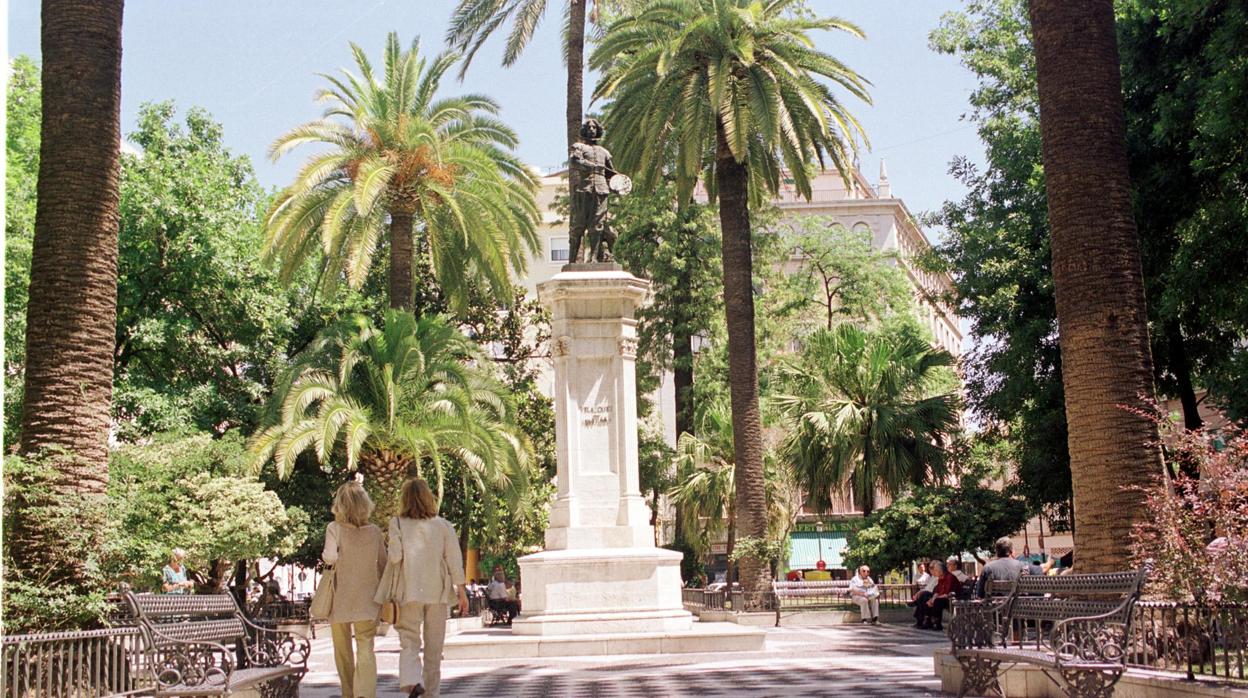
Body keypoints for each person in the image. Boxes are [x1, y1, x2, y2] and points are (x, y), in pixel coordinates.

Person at [390, 478, 470, 698]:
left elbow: (395, 557)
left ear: (404, 499)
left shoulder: (396, 523)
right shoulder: (443, 525)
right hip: (438, 591)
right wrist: (462, 592)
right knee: (434, 649)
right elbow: (455, 560)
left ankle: (412, 682)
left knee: (409, 641)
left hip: (408, 591)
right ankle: (431, 693)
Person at [322, 481, 386, 698]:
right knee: (366, 647)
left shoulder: (334, 529)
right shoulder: (375, 532)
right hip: (368, 600)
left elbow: (330, 557)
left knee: (342, 652)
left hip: (340, 599)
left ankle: (348, 694)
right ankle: (365, 695)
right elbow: (383, 565)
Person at [974, 537, 1042, 598]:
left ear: (997, 552)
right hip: (1019, 609)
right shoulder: (1024, 566)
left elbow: (980, 594)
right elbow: (1039, 571)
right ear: (1011, 551)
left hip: (995, 609)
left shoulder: (987, 568)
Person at [920, 561, 962, 631]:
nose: (934, 572)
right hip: (944, 597)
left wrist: (934, 600)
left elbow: (947, 593)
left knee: (937, 601)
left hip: (952, 598)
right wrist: (932, 600)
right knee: (928, 600)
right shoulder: (940, 578)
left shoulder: (950, 577)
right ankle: (928, 621)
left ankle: (937, 623)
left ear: (941, 570)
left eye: (936, 570)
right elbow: (937, 591)